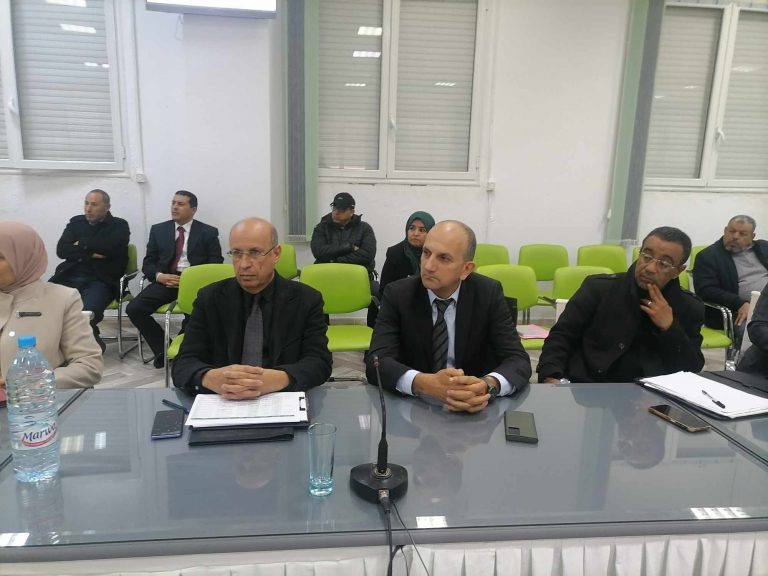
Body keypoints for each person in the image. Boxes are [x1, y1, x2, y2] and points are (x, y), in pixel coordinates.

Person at [366, 220, 531, 413]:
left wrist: (488, 385)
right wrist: (423, 383)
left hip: (474, 412)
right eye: (426, 253)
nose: (428, 266)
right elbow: (377, 361)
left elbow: (517, 359)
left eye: (444, 258)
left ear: (466, 269)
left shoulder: (487, 293)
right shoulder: (398, 294)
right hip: (414, 410)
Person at [172, 218, 332, 398]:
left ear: (276, 254)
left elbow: (319, 362)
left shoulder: (306, 299)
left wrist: (280, 378)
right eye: (236, 253)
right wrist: (209, 378)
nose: (244, 264)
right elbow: (183, 362)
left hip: (281, 397)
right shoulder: (209, 298)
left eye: (255, 253)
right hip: (224, 400)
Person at [537, 227, 704, 384]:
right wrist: (551, 376)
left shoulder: (689, 307)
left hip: (652, 394)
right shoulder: (599, 289)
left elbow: (692, 367)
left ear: (678, 271)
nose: (650, 268)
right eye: (646, 256)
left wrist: (670, 328)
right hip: (590, 386)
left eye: (664, 264)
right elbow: (561, 337)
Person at [126, 191, 223, 368]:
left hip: (194, 283)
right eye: (173, 203)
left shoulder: (208, 232)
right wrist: (160, 276)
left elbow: (215, 263)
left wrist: (193, 279)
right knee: (134, 308)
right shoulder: (159, 230)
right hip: (167, 280)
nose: (175, 207)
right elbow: (148, 263)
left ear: (193, 209)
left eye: (180, 204)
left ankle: (185, 351)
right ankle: (164, 349)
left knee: (198, 314)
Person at [0, 222, 102, 389]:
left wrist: (34, 383)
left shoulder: (62, 298)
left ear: (23, 257)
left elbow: (89, 366)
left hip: (37, 401)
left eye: (0, 257)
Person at [49, 190, 130, 352]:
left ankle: (86, 345)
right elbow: (62, 250)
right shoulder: (76, 222)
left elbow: (111, 249)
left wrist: (81, 243)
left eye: (94, 205)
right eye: (86, 203)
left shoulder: (119, 225)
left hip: (102, 279)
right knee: (47, 304)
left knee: (86, 313)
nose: (88, 209)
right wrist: (91, 253)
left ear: (107, 207)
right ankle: (76, 342)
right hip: (70, 275)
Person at [693, 216, 768, 342]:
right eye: (732, 231)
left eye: (742, 233)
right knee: (759, 333)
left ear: (752, 236)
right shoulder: (708, 256)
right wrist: (739, 303)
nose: (735, 236)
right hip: (738, 312)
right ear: (725, 230)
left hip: (765, 306)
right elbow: (706, 290)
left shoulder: (764, 248)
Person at [310, 192, 378, 326]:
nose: (336, 212)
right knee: (311, 294)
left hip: (357, 280)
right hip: (327, 278)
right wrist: (349, 247)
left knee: (378, 292)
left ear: (352, 211)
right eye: (334, 208)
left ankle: (374, 333)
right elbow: (318, 252)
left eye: (341, 209)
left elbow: (367, 255)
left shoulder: (364, 228)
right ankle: (320, 332)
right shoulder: (322, 227)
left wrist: (333, 260)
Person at [379, 211, 436, 297]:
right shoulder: (395, 253)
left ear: (430, 233)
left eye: (422, 230)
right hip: (400, 300)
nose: (416, 234)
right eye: (412, 228)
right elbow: (384, 289)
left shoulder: (435, 254)